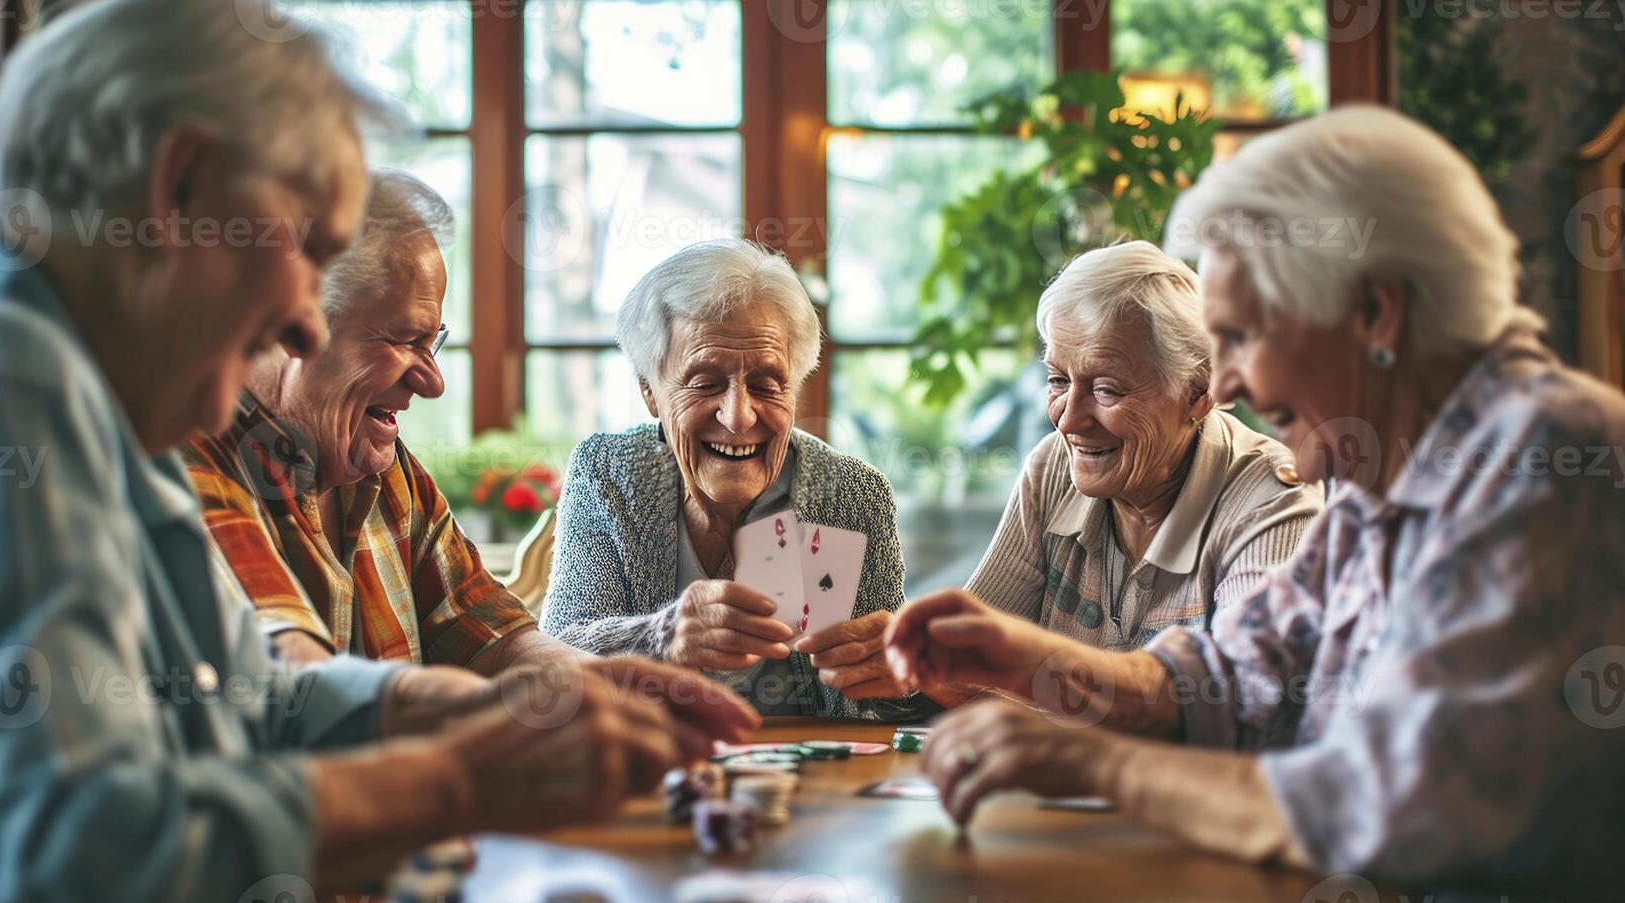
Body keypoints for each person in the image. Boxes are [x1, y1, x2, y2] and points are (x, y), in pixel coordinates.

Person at [0, 2, 752, 903]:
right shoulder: (5, 383)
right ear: (181, 187)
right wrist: (459, 777)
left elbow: (258, 699)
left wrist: (475, 711)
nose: (302, 322)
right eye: (305, 248)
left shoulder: (118, 409)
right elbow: (72, 865)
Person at [890, 106, 1625, 903]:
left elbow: (1391, 804)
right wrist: (1021, 658)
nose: (1225, 386)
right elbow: (1231, 675)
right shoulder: (1374, 474)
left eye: (1240, 337)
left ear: (1374, 314)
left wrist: (1093, 761)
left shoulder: (1544, 457)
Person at [185, 169, 586, 675]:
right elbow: (296, 677)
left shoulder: (385, 467)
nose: (432, 382)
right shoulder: (194, 462)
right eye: (403, 342)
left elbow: (494, 635)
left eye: (432, 342)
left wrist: (603, 685)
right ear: (293, 324)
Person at [543, 240, 926, 718]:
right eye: (705, 382)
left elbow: (886, 706)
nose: (739, 417)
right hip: (656, 769)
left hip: (812, 779)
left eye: (767, 384)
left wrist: (896, 677)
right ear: (649, 389)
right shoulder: (610, 474)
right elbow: (554, 656)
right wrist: (661, 637)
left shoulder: (850, 495)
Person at [932, 241, 1320, 707]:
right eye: (1058, 381)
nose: (1068, 419)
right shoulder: (1053, 467)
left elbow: (1242, 701)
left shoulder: (1272, 502)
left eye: (1106, 388)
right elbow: (970, 666)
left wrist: (1026, 666)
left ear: (1198, 393)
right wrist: (907, 656)